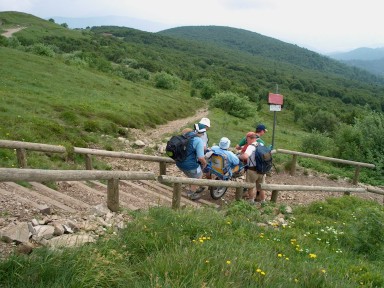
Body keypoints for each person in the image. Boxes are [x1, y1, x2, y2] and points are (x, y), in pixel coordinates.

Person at [174, 128, 207, 200]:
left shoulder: (183, 138)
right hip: (189, 165)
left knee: (192, 174)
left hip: (178, 162)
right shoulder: (198, 140)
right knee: (198, 175)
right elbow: (201, 158)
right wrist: (204, 163)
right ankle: (191, 194)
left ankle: (195, 186)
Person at [238, 132, 267, 204]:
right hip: (262, 170)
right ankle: (263, 201)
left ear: (249, 138)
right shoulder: (261, 144)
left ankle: (251, 201)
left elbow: (245, 156)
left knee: (250, 186)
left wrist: (239, 156)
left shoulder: (250, 147)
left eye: (246, 139)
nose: (246, 140)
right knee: (261, 187)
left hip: (252, 170)